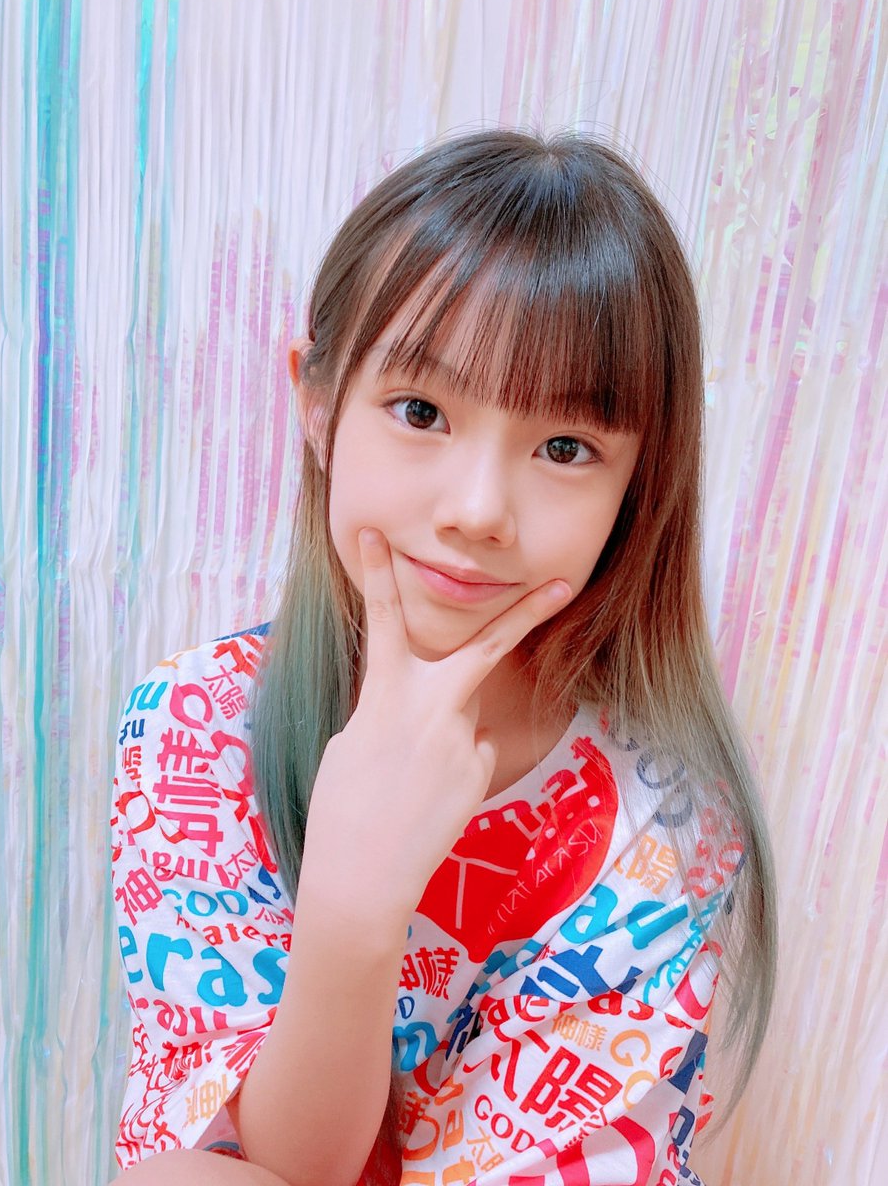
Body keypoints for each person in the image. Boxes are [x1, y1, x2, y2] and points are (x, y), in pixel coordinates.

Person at [109, 129, 776, 1186]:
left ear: (637, 484)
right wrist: (353, 904)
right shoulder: (197, 724)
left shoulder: (664, 817)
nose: (477, 511)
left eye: (565, 448)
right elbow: (261, 1164)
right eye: (420, 412)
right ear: (318, 405)